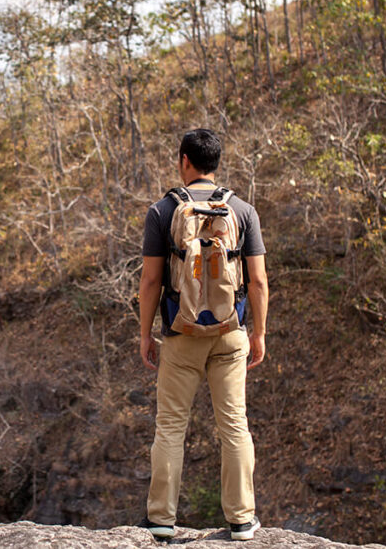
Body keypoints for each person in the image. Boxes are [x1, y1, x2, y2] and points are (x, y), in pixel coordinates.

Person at [137, 129, 268, 542]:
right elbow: (259, 281)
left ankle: (161, 520)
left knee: (171, 427)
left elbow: (151, 281)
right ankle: (242, 520)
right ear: (216, 164)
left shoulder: (162, 211)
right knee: (234, 423)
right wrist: (259, 333)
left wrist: (146, 335)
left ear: (183, 161)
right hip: (231, 333)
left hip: (180, 334)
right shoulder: (244, 211)